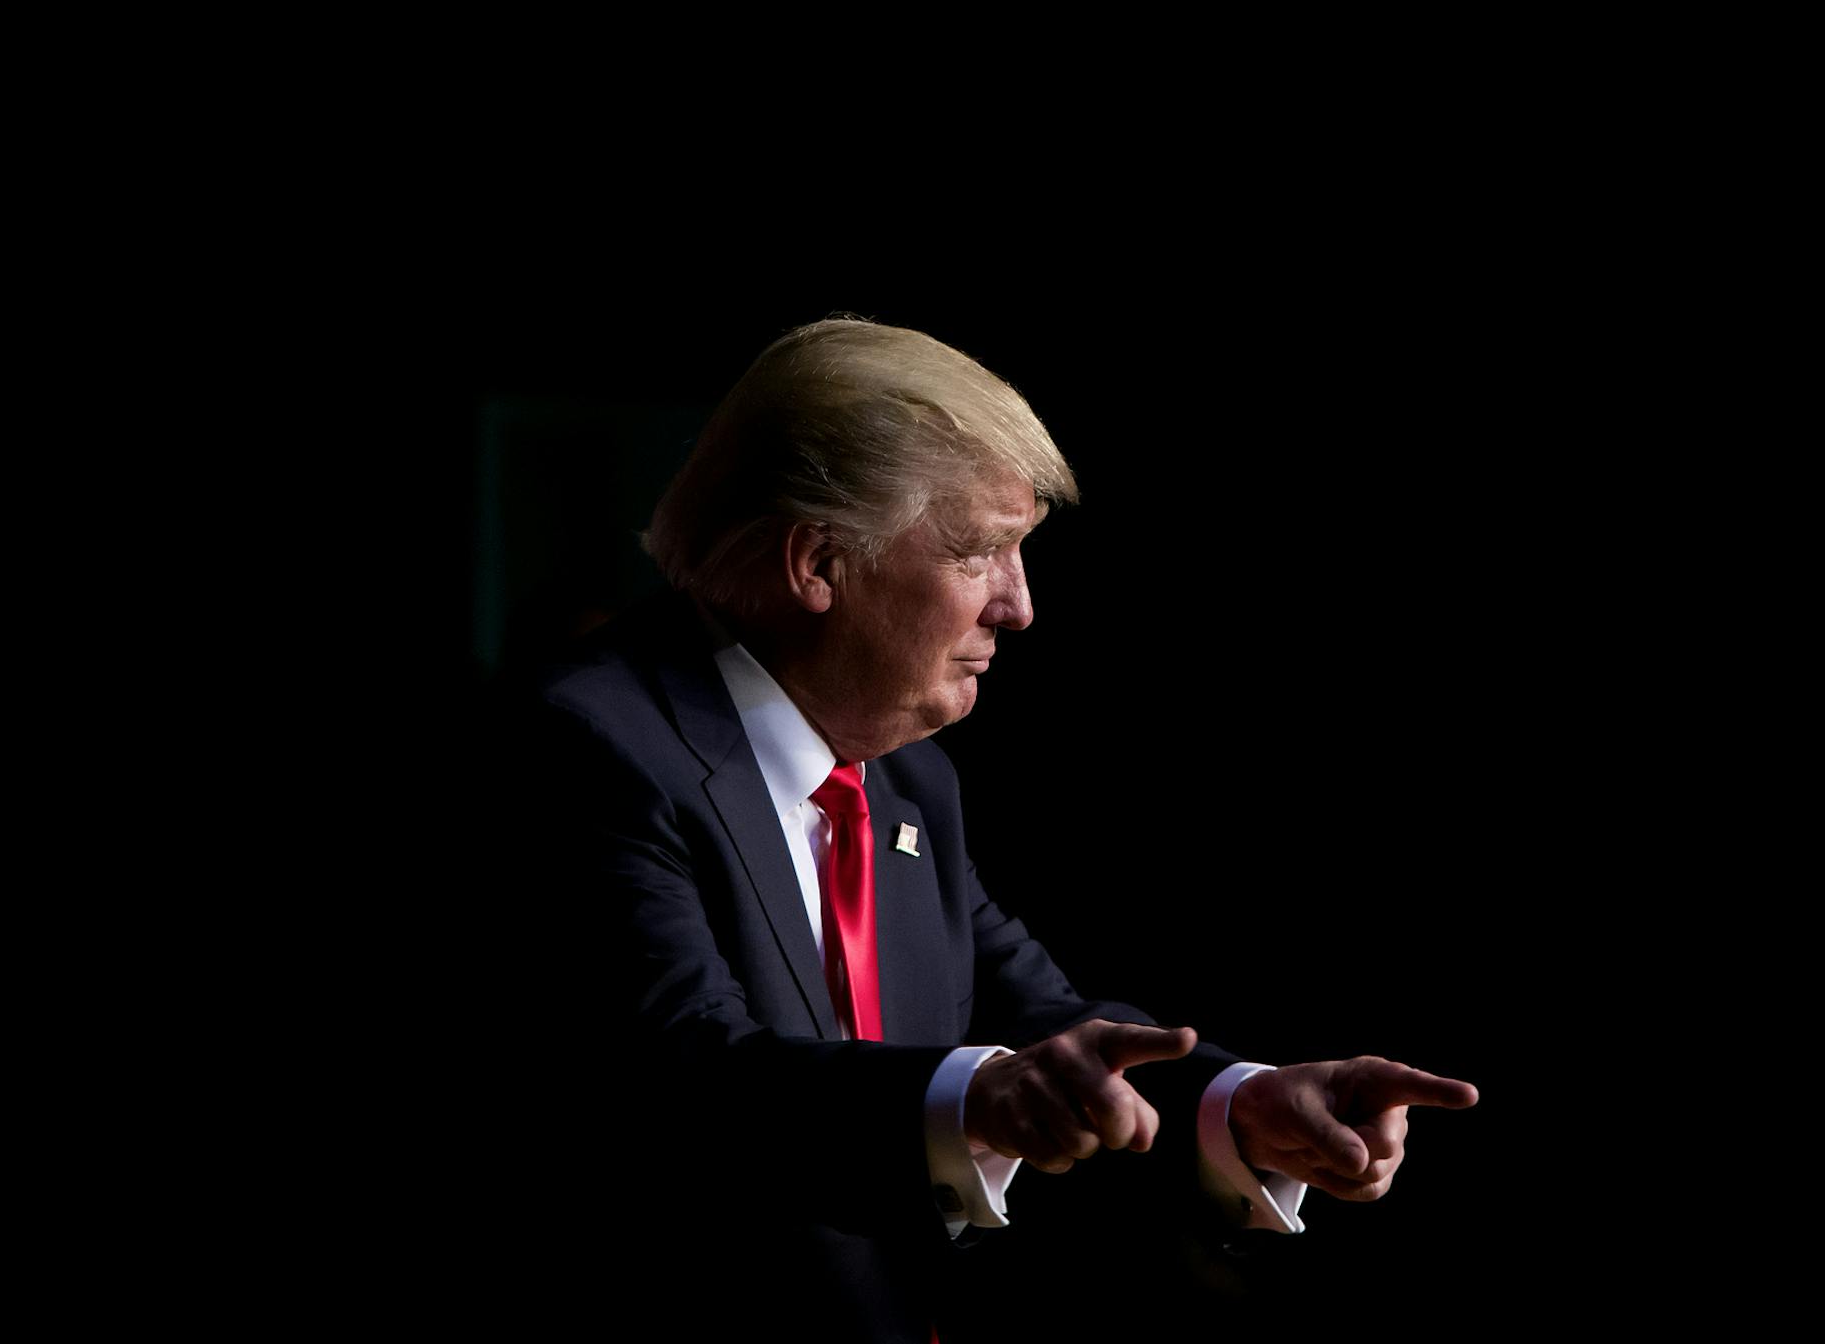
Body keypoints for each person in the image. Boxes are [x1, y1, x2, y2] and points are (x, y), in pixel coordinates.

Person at [527, 319, 1477, 1342]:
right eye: (981, 550)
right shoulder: (588, 747)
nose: (1019, 607)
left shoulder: (906, 781)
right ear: (818, 562)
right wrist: (976, 1098)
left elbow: (1038, 1016)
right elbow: (694, 1081)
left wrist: (1243, 1101)